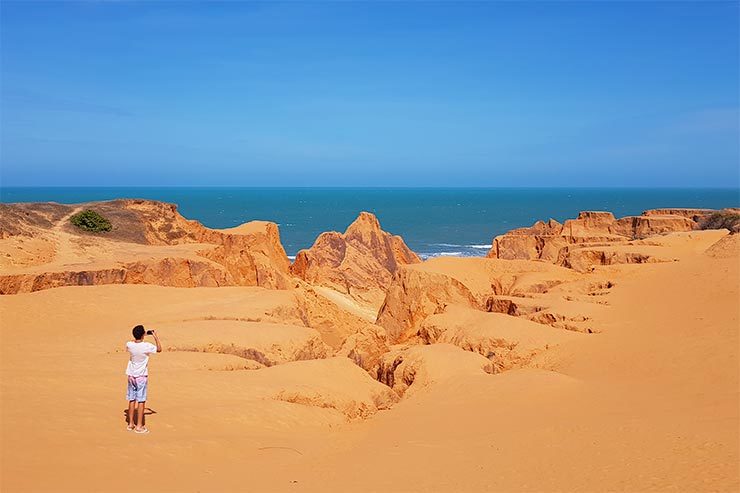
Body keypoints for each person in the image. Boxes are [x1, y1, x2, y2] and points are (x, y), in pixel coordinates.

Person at [125, 325, 162, 434]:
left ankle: (131, 424)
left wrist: (141, 335)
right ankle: (139, 426)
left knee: (132, 399)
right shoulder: (146, 346)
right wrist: (155, 337)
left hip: (131, 375)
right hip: (141, 376)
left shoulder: (129, 345)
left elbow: (132, 342)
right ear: (143, 335)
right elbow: (159, 349)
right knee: (141, 400)